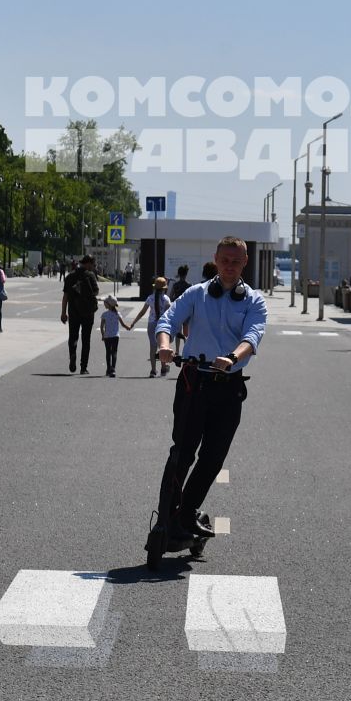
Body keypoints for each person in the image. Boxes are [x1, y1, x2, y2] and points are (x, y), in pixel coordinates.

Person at [147, 236, 266, 556]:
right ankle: (166, 519)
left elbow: (253, 336)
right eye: (225, 260)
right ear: (216, 259)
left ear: (244, 264)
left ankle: (185, 514)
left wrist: (233, 356)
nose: (230, 266)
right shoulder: (196, 294)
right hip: (193, 383)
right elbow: (169, 319)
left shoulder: (254, 301)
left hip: (229, 386)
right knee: (181, 454)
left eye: (236, 261)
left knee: (213, 458)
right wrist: (164, 345)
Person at [127, 276, 174, 377]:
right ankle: (163, 368)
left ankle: (153, 370)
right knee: (162, 346)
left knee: (152, 348)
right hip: (161, 325)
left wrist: (133, 323)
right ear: (164, 288)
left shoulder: (150, 298)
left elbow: (142, 312)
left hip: (151, 325)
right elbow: (170, 313)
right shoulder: (166, 299)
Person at [61, 254, 100, 374]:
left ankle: (72, 354)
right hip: (88, 312)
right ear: (88, 263)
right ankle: (83, 367)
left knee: (73, 336)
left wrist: (63, 313)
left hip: (73, 311)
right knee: (86, 339)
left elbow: (65, 296)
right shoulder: (90, 275)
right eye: (92, 264)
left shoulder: (70, 276)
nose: (93, 267)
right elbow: (96, 291)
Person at [99, 295, 125, 377]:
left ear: (108, 305)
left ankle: (108, 369)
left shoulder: (104, 314)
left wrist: (103, 335)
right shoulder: (118, 314)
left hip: (107, 336)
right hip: (115, 336)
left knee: (108, 352)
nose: (104, 304)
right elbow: (123, 324)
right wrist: (129, 327)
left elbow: (101, 326)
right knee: (114, 352)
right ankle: (113, 369)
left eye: (105, 303)